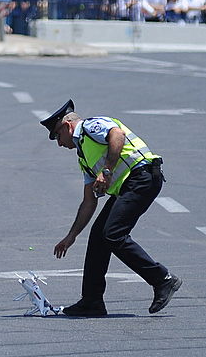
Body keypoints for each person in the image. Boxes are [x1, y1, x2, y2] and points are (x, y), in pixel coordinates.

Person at [40, 100, 182, 317]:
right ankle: (92, 301)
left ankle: (162, 279)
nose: (59, 144)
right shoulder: (84, 156)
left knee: (113, 234)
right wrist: (71, 236)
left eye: (58, 136)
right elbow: (89, 202)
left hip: (142, 177)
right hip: (129, 186)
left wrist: (106, 171)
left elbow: (117, 134)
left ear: (67, 126)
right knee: (98, 237)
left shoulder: (90, 127)